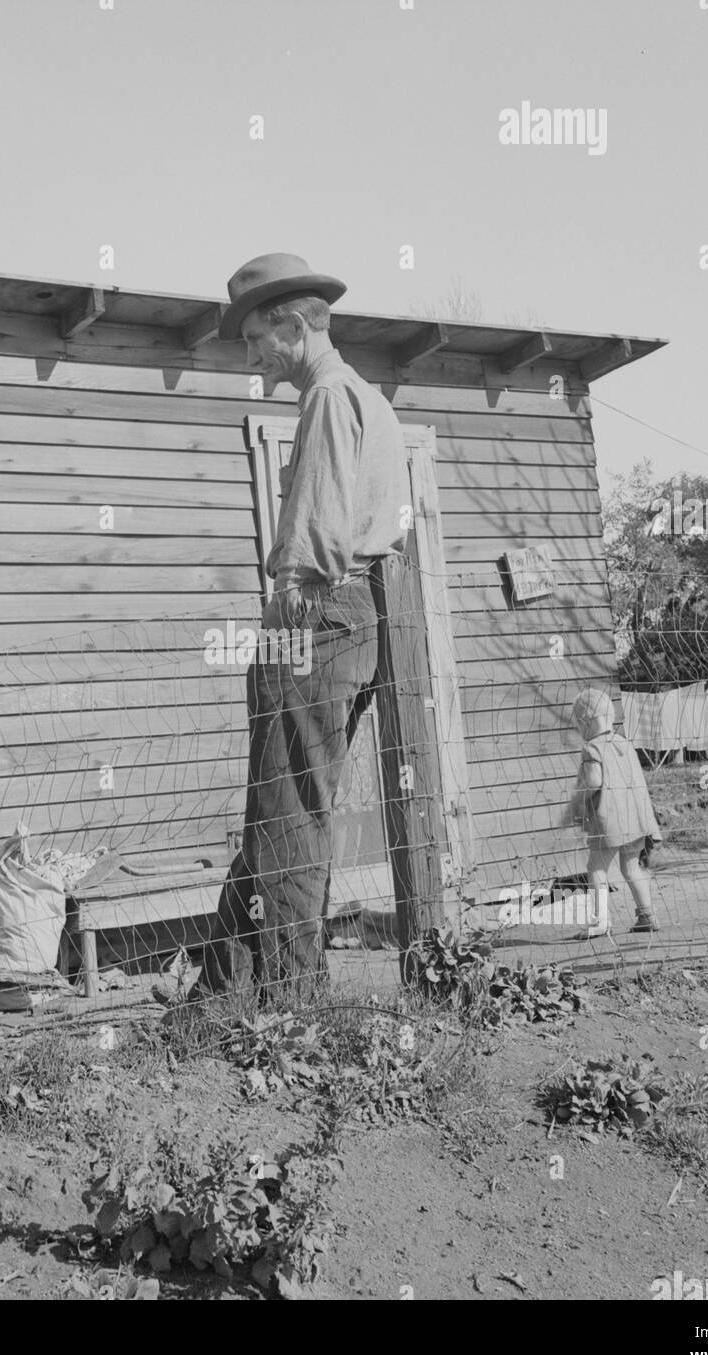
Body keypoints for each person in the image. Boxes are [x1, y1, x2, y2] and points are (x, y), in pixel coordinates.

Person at [196, 253, 409, 1005]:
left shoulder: (324, 397)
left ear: (294, 324)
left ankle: (293, 1001)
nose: (252, 357)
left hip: (316, 613)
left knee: (286, 814)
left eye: (257, 339)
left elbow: (316, 535)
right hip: (360, 615)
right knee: (280, 806)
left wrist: (284, 600)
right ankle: (219, 995)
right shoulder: (369, 400)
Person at [561, 688, 663, 939]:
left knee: (596, 867)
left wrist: (576, 802)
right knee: (631, 868)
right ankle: (646, 915)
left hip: (607, 821)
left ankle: (600, 922)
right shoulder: (624, 744)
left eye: (579, 725)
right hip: (634, 819)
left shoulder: (592, 749)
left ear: (585, 722)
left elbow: (594, 782)